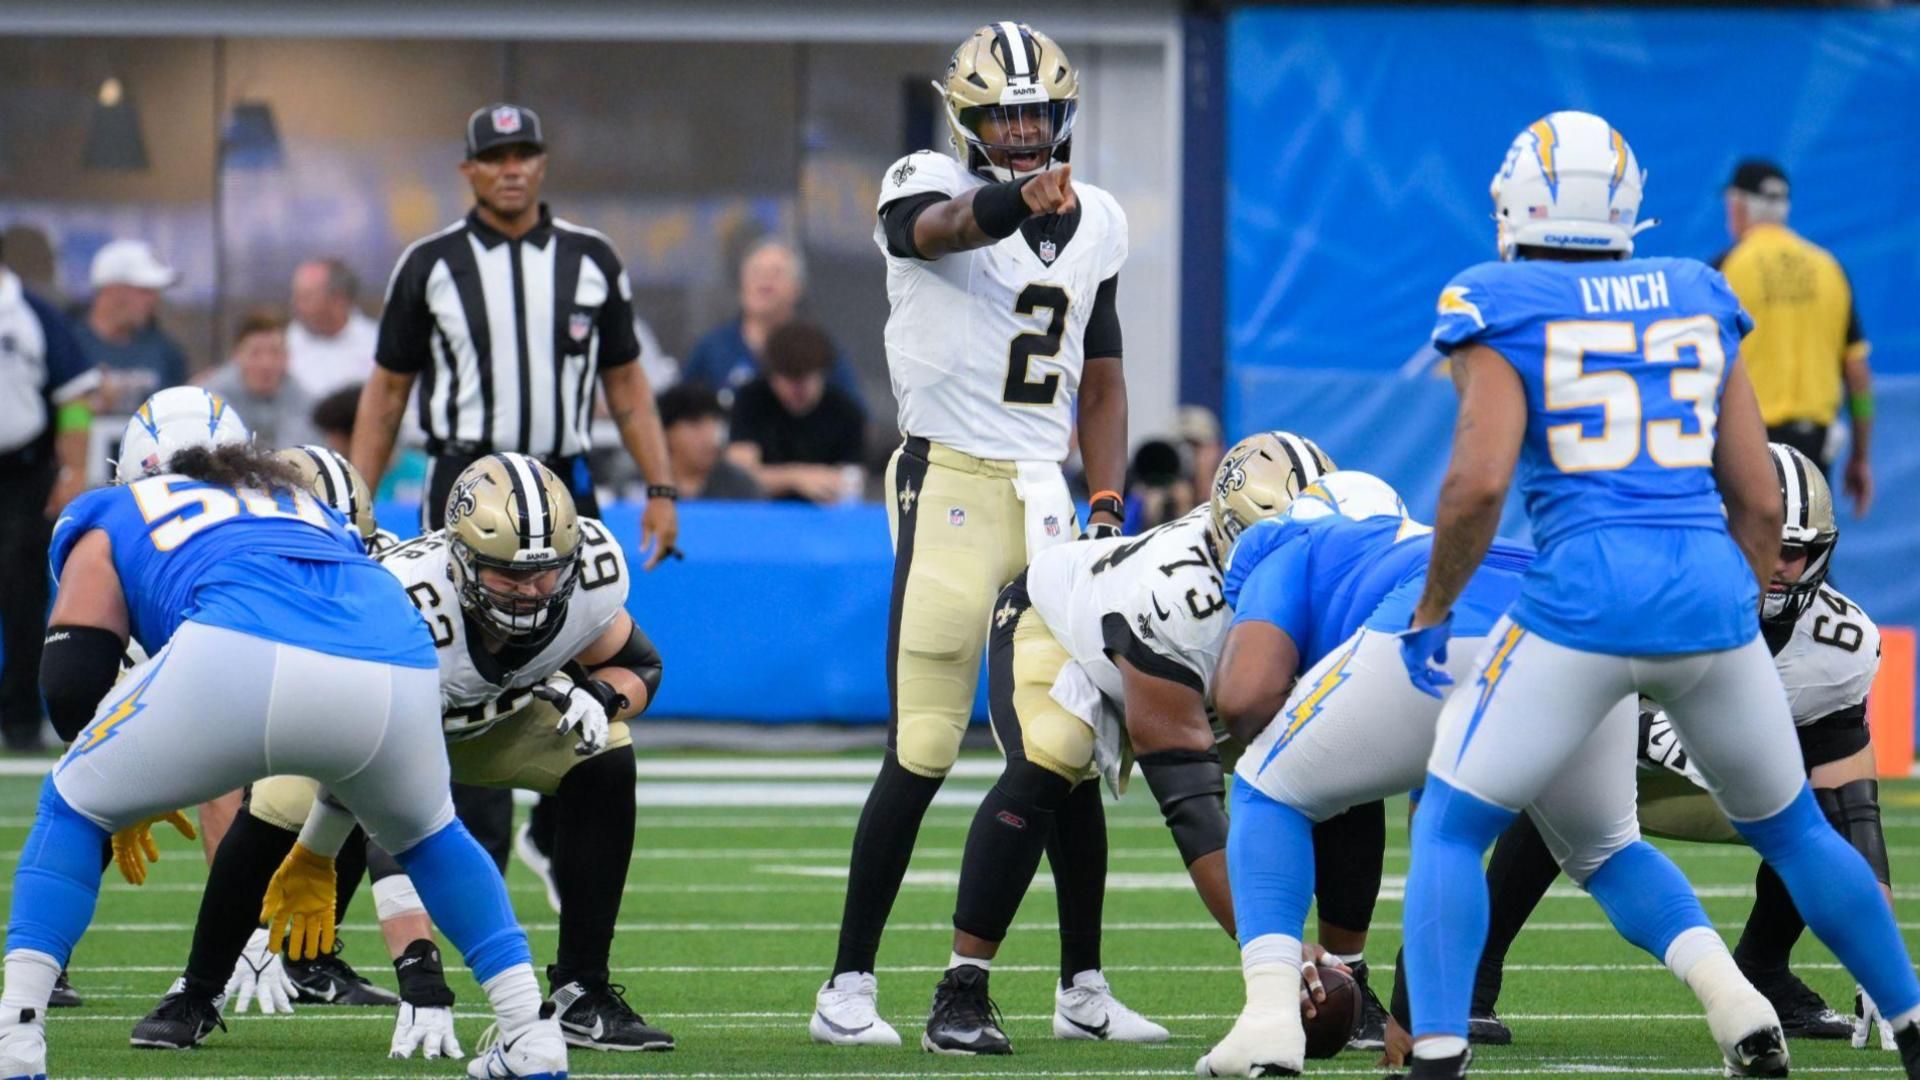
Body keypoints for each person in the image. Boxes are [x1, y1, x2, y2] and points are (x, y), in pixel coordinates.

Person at [1393, 111, 1920, 1079]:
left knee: (1454, 823)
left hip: (1580, 606)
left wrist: (1432, 612)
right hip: (1709, 601)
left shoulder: (1498, 297)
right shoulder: (1694, 289)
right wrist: (1732, 601)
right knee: (1799, 829)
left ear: (1517, 200)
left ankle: (1436, 1050)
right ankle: (1915, 1021)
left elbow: (1475, 486)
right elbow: (1759, 495)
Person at [4, 386, 570, 1080]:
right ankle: (529, 1032)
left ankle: (16, 1035)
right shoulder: (305, 505)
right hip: (393, 656)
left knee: (72, 803)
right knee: (431, 836)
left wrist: (116, 779)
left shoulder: (113, 508)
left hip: (237, 653)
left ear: (133, 468)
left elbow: (69, 686)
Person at [810, 21, 1131, 1048]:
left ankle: (1081, 987)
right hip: (946, 476)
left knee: (1064, 735)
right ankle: (846, 986)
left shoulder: (1101, 221)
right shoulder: (922, 178)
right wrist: (1011, 201)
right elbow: (939, 228)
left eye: (1039, 114)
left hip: (1044, 489)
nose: (1027, 131)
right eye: (1006, 116)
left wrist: (1111, 496)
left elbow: (1106, 364)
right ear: (969, 121)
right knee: (926, 741)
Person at [133, 452, 673, 1056]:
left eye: (544, 573)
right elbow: (371, 782)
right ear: (462, 557)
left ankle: (581, 992)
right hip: (369, 727)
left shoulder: (589, 582)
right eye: (505, 574)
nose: (528, 592)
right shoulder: (407, 605)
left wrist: (602, 695)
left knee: (605, 756)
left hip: (493, 722)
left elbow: (640, 663)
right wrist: (417, 971)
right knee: (273, 815)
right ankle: (199, 988)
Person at [1467, 442, 1895, 1048]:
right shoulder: (1646, 592)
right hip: (1606, 762)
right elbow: (1560, 703)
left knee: (1818, 814)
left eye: (1791, 550)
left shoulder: (1839, 644)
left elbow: (1853, 803)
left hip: (1727, 788)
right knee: (1561, 777)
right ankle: (1472, 975)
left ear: (1820, 553)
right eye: (1757, 542)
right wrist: (1647, 728)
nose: (1772, 563)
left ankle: (1764, 970)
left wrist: (1880, 956)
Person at [351, 101, 679, 883]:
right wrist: (350, 510)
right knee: (460, 673)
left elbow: (627, 382)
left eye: (524, 152)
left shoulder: (592, 258)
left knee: (576, 659)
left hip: (564, 484)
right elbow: (387, 391)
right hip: (463, 489)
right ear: (469, 170)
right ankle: (476, 864)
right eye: (494, 156)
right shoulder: (429, 264)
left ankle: (554, 822)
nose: (511, 168)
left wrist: (662, 486)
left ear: (542, 164)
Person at [925, 432, 1331, 1055]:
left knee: (1329, 768)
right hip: (1056, 622)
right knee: (1056, 753)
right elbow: (1195, 813)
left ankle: (1083, 997)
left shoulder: (1330, 583)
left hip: (1183, 666)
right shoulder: (1182, 606)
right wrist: (1274, 955)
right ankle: (960, 990)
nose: (1297, 570)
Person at [1716, 160, 1873, 514]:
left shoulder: (1726, 268)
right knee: (1803, 558)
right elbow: (1858, 375)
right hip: (1815, 449)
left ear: (1738, 205)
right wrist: (1861, 457)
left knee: (1752, 558)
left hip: (1748, 446)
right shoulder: (1829, 268)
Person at [0, 241, 96, 754]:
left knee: (20, 593)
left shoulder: (32, 315)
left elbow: (76, 397)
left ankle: (18, 720)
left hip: (22, 472)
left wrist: (74, 467)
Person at [681, 238, 862, 410]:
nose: (764, 280)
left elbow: (855, 416)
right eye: (756, 272)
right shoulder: (711, 349)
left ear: (797, 288)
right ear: (741, 283)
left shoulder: (819, 350)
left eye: (776, 273)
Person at [726, 321, 865, 503]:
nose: (796, 391)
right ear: (772, 376)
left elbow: (851, 485)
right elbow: (739, 477)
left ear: (822, 373)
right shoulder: (751, 401)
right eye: (787, 380)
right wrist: (796, 477)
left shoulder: (846, 412)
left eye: (804, 380)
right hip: (761, 513)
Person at [73, 240, 189, 411]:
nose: (154, 300)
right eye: (144, 291)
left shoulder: (166, 351)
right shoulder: (68, 346)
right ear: (111, 290)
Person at [202, 310, 319, 450]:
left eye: (275, 352)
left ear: (287, 357)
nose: (266, 364)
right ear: (237, 356)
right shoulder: (210, 401)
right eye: (255, 353)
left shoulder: (308, 406)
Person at [286, 258, 380, 398]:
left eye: (306, 297)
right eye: (296, 296)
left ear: (338, 300)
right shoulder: (283, 345)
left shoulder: (379, 344)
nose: (295, 305)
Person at [658, 384, 761, 500]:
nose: (708, 437)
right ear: (666, 433)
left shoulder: (741, 488)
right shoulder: (645, 482)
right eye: (695, 425)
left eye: (714, 424)